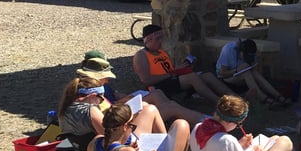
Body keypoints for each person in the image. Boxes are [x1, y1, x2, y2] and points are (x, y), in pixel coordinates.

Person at [77, 50, 205, 125]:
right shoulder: (90, 93)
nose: (108, 79)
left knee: (158, 96)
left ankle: (194, 120)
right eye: (105, 75)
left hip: (119, 112)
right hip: (120, 121)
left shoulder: (91, 87)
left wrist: (128, 98)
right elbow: (107, 113)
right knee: (167, 106)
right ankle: (207, 122)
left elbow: (115, 97)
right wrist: (128, 101)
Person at [57, 75, 169, 151]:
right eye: (100, 99)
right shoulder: (90, 110)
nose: (100, 102)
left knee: (144, 106)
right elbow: (111, 137)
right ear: (92, 96)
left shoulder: (64, 110)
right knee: (150, 109)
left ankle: (164, 149)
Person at [132, 24, 233, 104]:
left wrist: (182, 68)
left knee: (207, 75)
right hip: (158, 86)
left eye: (161, 38)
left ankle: (234, 97)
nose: (161, 41)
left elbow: (170, 69)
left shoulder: (162, 52)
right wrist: (173, 73)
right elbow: (146, 80)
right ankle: (219, 102)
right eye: (158, 39)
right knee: (192, 77)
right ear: (148, 40)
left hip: (171, 80)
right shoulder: (141, 55)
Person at [215, 38, 290, 106]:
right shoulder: (228, 50)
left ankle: (278, 96)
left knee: (254, 73)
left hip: (243, 77)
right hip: (227, 79)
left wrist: (254, 66)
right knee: (245, 72)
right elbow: (223, 73)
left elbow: (255, 70)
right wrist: (237, 70)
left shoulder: (250, 53)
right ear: (241, 52)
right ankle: (264, 98)